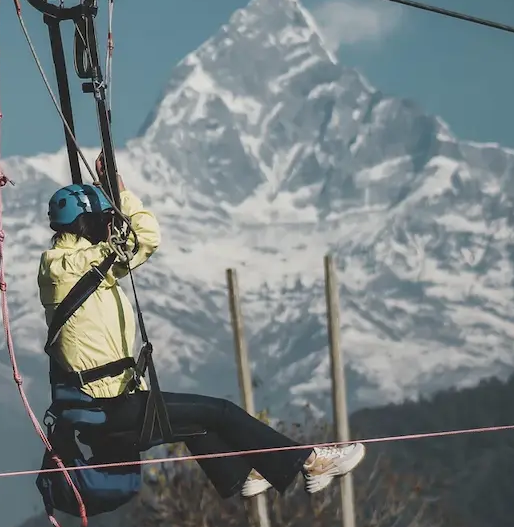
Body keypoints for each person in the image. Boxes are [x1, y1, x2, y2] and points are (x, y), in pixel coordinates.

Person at [37, 153, 366, 502]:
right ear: (88, 223)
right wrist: (121, 192)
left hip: (103, 406)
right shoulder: (76, 266)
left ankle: (238, 477)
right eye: (105, 219)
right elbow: (146, 237)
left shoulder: (69, 266)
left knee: (197, 420)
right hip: (109, 407)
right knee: (218, 411)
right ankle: (309, 462)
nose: (110, 225)